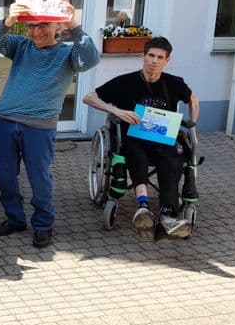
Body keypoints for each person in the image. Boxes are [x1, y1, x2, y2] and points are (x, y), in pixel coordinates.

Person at [0, 0, 99, 248]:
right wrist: (9, 20)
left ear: (58, 26)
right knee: (4, 175)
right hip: (5, 121)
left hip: (39, 127)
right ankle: (15, 218)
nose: (36, 32)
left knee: (40, 179)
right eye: (32, 26)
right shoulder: (21, 45)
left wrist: (75, 25)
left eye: (43, 25)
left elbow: (91, 59)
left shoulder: (69, 54)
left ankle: (43, 224)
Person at [83, 36, 199, 239]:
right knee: (136, 154)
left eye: (160, 57)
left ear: (167, 60)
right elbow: (88, 97)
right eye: (151, 55)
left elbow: (193, 100)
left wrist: (193, 125)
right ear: (142, 56)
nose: (154, 60)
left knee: (171, 158)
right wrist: (117, 111)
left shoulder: (174, 83)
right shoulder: (125, 81)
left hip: (163, 138)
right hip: (133, 137)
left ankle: (167, 215)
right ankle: (143, 206)